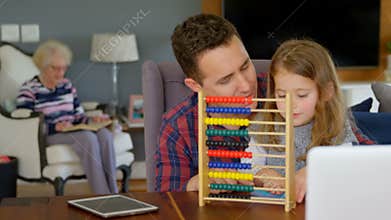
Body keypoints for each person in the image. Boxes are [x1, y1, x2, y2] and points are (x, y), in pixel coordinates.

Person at [155, 14, 374, 192]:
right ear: (195, 86)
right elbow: (166, 200)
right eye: (226, 79)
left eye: (245, 66)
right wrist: (194, 184)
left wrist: (324, 169)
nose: (245, 85)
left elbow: (368, 155)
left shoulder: (284, 91)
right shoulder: (179, 126)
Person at [247, 39, 373, 203]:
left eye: (302, 95)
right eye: (282, 95)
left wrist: (315, 171)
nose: (290, 104)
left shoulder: (336, 126)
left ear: (326, 92)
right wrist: (262, 173)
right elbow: (249, 163)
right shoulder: (265, 124)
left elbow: (348, 165)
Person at [16, 40, 118, 194]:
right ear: (42, 66)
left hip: (72, 130)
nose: (60, 73)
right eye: (55, 68)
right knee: (87, 138)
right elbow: (25, 123)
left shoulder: (67, 85)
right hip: (50, 134)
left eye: (64, 68)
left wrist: (92, 121)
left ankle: (114, 193)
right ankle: (103, 196)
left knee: (105, 135)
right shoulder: (29, 89)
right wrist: (53, 127)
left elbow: (78, 116)